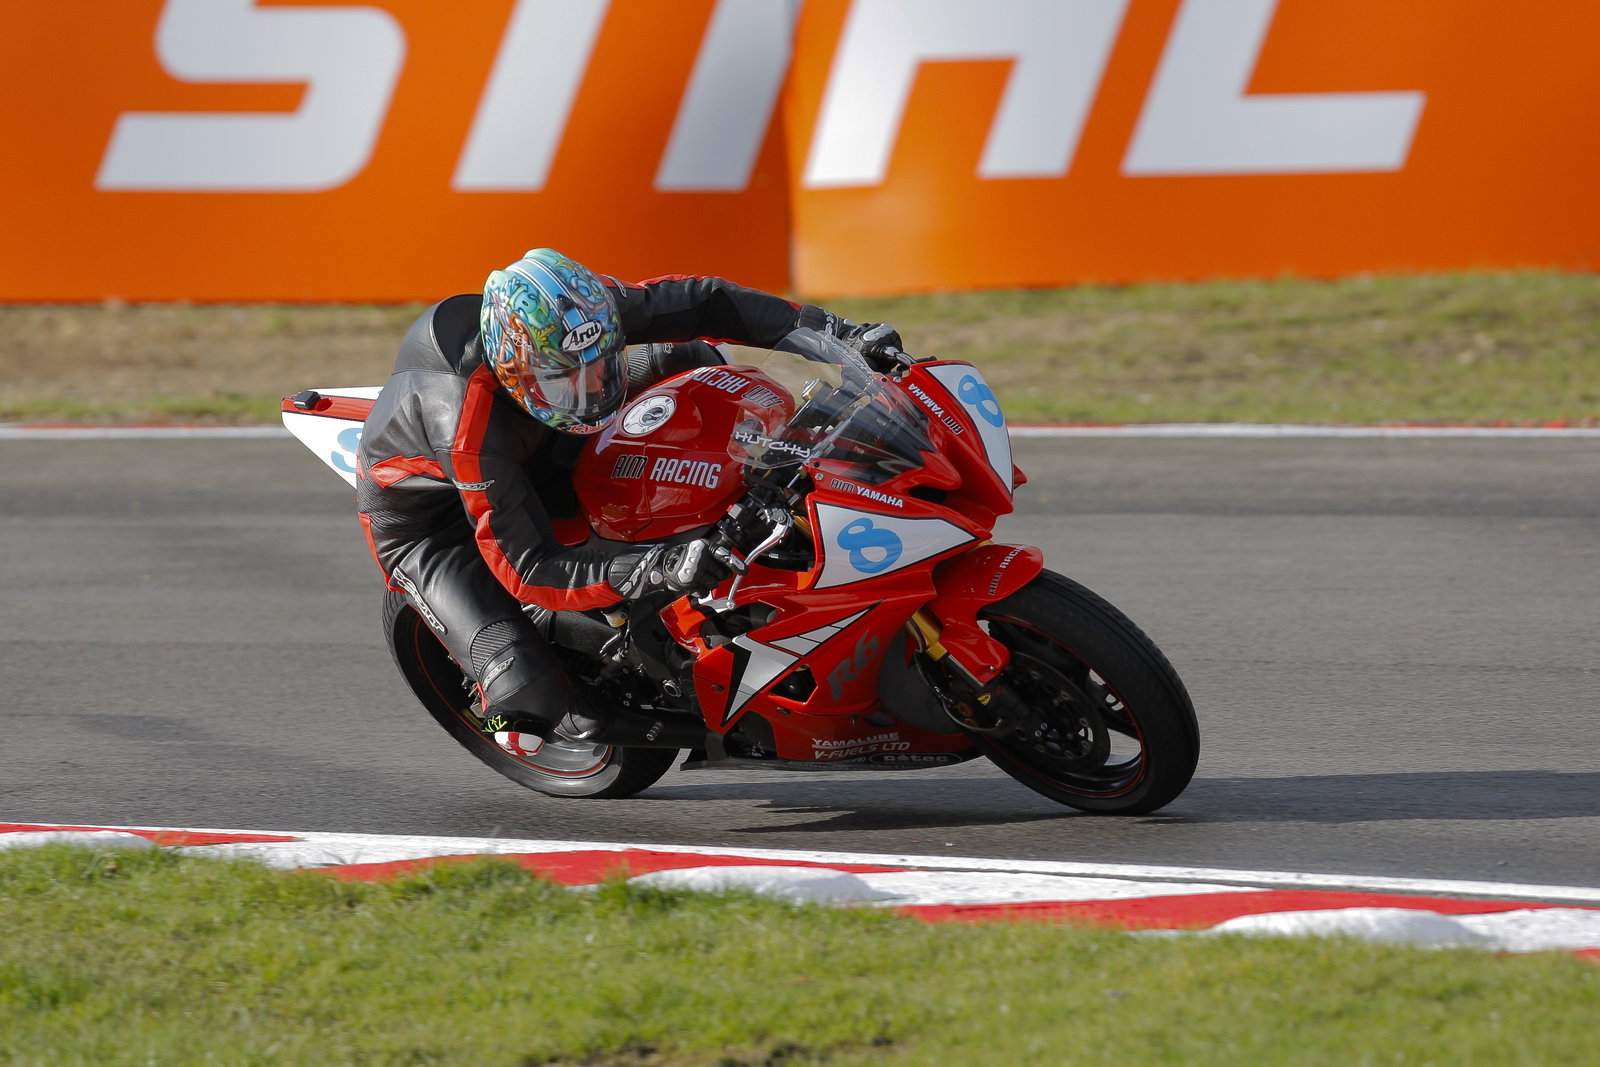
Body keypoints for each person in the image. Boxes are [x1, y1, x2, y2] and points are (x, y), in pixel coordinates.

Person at [356, 248, 901, 749]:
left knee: (694, 355)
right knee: (529, 692)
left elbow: (708, 299)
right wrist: (660, 567)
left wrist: (838, 336)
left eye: (600, 364)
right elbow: (530, 569)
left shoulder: (577, 319)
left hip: (544, 435)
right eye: (569, 378)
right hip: (434, 524)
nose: (592, 389)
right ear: (513, 366)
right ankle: (524, 695)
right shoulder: (463, 421)